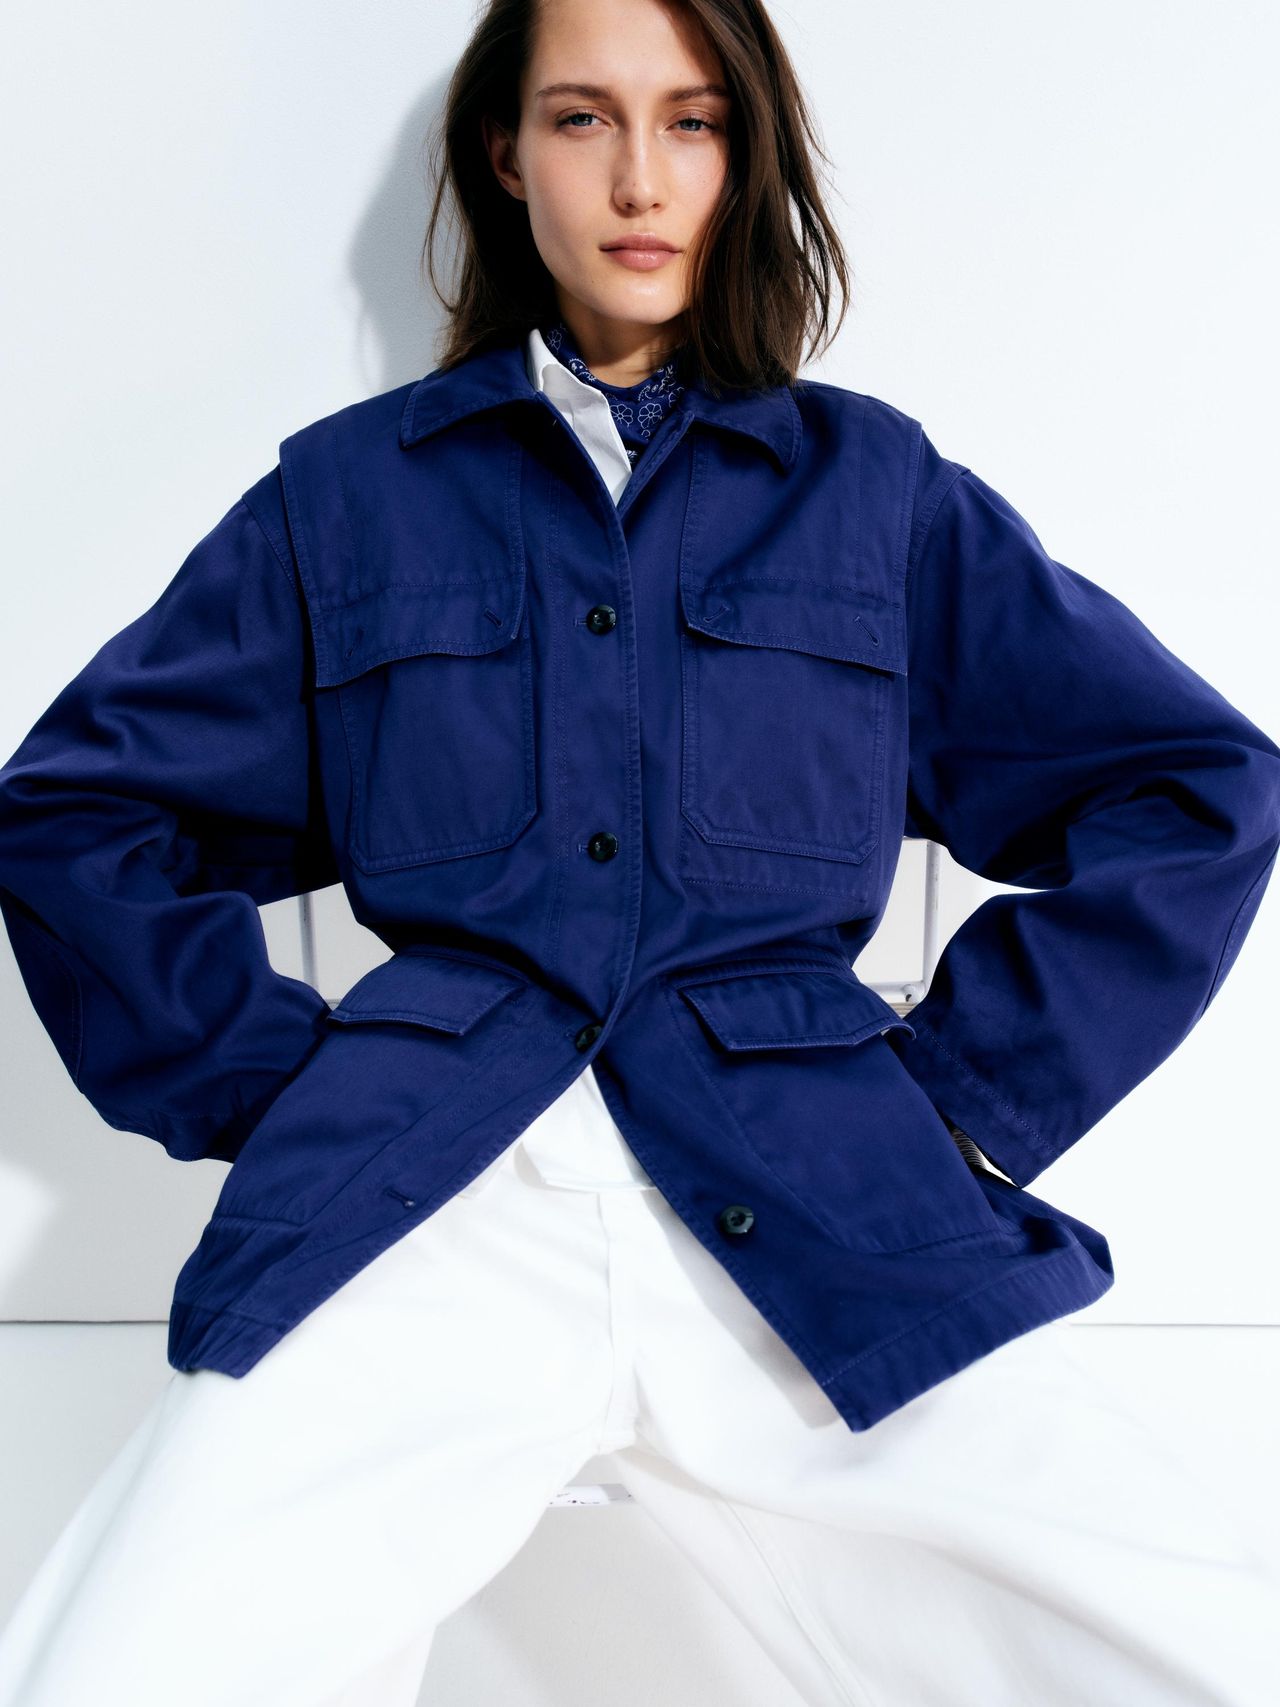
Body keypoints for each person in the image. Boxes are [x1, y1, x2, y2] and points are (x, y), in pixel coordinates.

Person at [1, 0, 1278, 1702]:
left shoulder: (874, 494)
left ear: (745, 159)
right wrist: (262, 1088)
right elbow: (80, 811)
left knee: (1197, 1646)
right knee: (126, 1668)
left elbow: (1197, 787)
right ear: (504, 157)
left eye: (692, 122)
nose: (640, 176)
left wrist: (972, 1099)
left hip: (825, 1186)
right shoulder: (346, 499)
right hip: (429, 1195)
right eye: (585, 120)